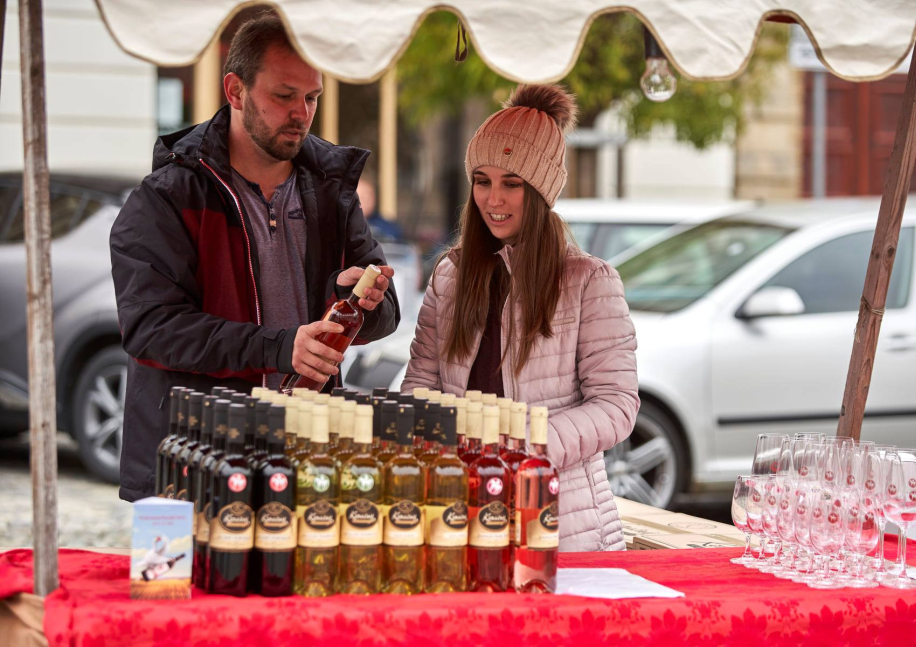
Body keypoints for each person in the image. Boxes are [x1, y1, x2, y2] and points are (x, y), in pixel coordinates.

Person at [110, 12, 400, 502]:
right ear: (235, 90)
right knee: (196, 583)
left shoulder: (331, 191)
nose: (301, 113)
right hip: (193, 460)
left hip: (304, 456)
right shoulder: (168, 196)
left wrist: (352, 300)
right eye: (283, 95)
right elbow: (152, 329)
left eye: (311, 97)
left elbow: (387, 314)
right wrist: (278, 346)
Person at [402, 85, 639, 551]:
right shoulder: (449, 274)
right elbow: (419, 386)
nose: (494, 199)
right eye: (482, 180)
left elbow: (616, 406)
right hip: (460, 513)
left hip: (561, 523)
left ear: (541, 190)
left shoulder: (589, 281)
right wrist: (446, 445)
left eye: (512, 184)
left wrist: (528, 444)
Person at [357, 177, 404, 242]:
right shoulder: (340, 225)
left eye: (369, 196)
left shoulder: (386, 227)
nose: (366, 200)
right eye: (361, 197)